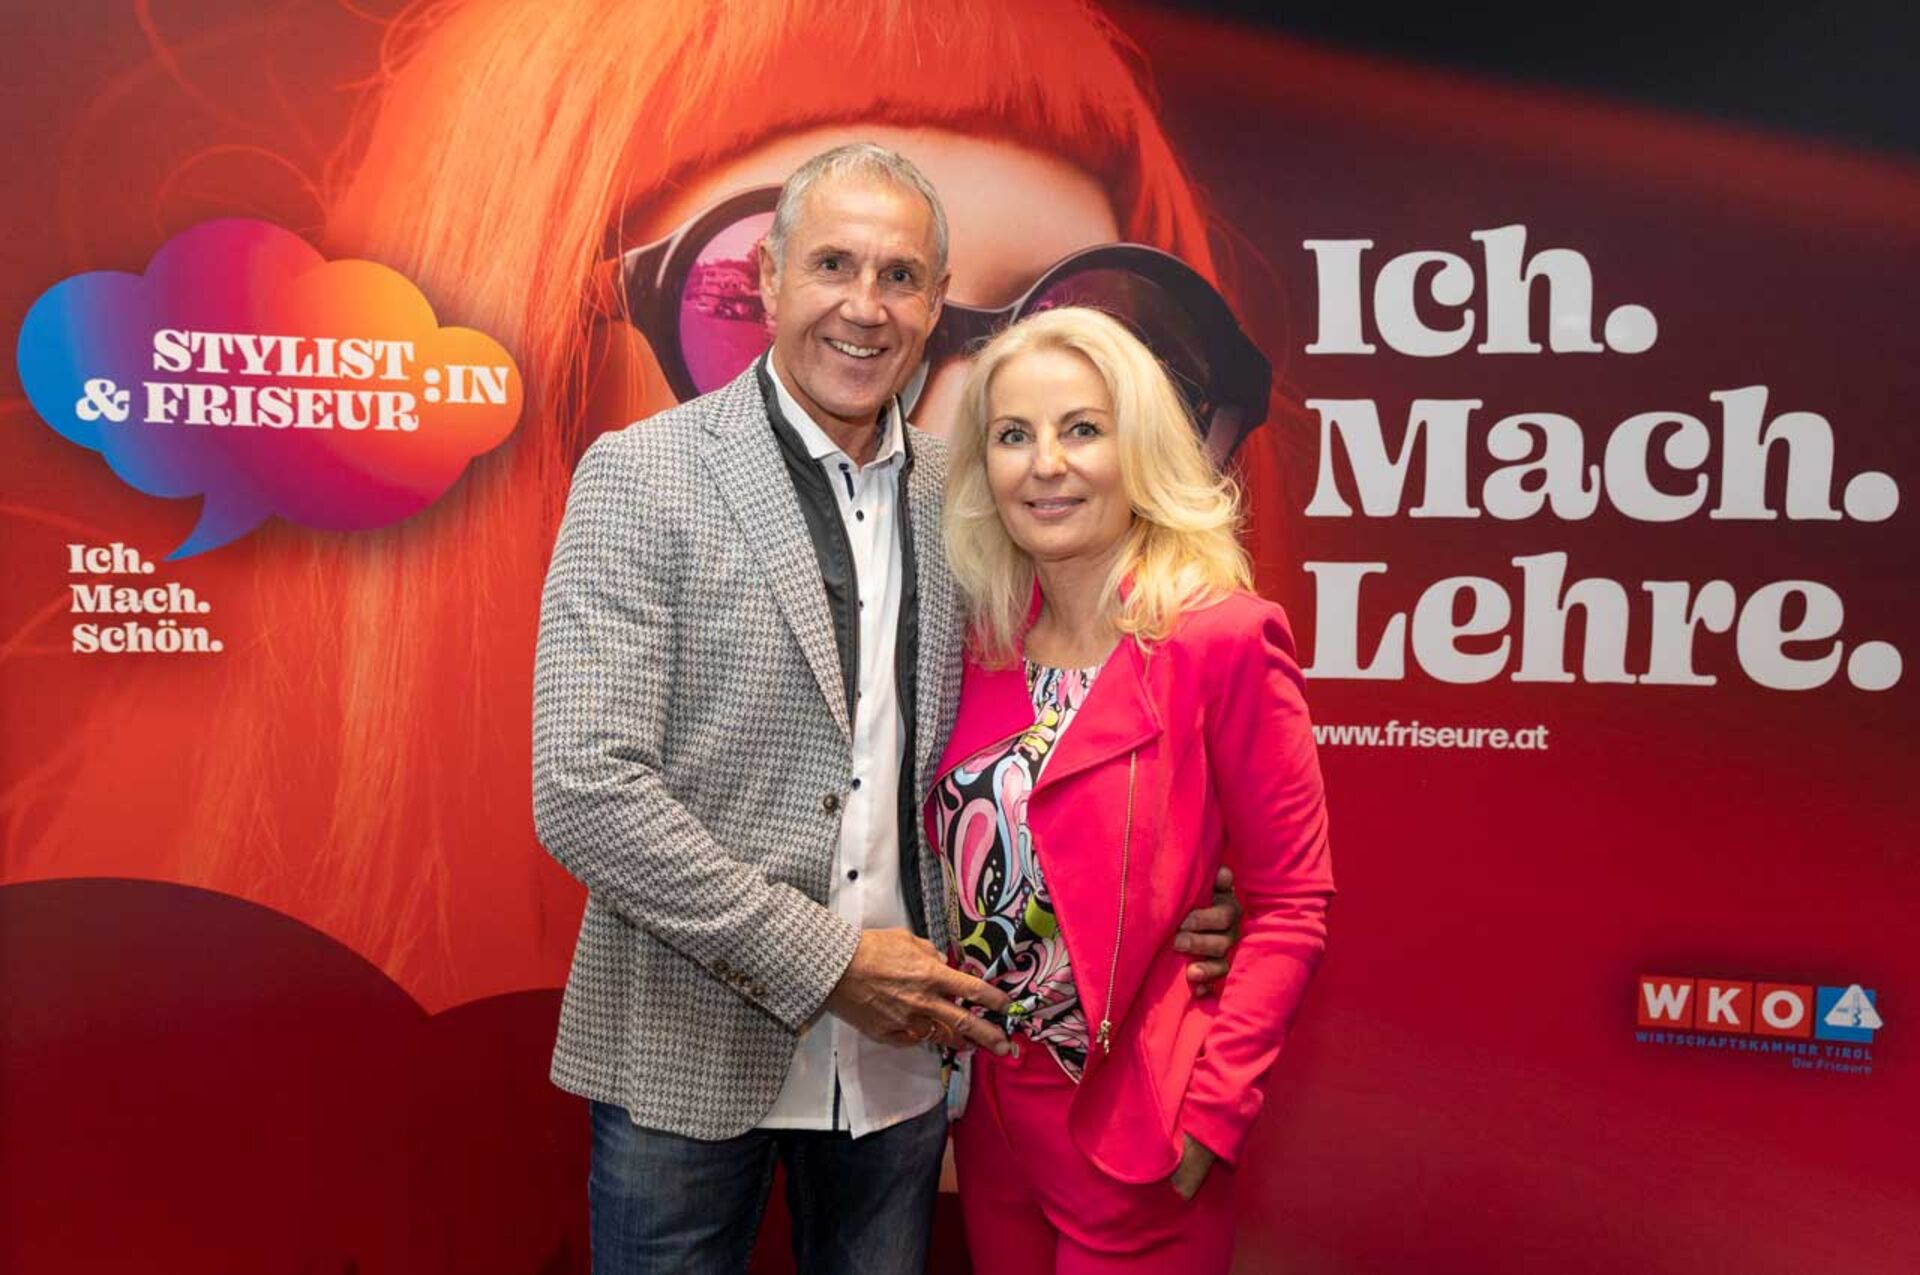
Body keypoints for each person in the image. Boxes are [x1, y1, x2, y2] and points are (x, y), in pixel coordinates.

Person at [532, 145, 1239, 1275]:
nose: (865, 307)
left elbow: (1067, 730)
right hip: (683, 1048)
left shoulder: (972, 502)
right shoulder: (643, 475)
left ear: (934, 304)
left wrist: (1178, 888)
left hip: (902, 1071)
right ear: (770, 279)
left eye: (901, 277)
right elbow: (585, 790)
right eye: (833, 265)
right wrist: (830, 962)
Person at [932, 306, 1334, 1272]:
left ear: (1140, 447)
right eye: (1013, 435)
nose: (1046, 464)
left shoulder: (1222, 638)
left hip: (1138, 1127)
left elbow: (1293, 903)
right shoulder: (976, 645)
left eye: (1082, 429)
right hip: (990, 1122)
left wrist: (1214, 1115)